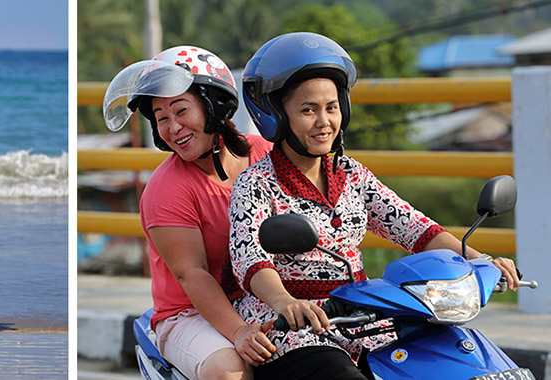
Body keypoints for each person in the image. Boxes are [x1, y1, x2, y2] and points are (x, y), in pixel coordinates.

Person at [228, 32, 521, 380]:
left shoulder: (352, 174)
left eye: (331, 107)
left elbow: (416, 229)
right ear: (276, 114)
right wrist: (284, 302)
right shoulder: (257, 184)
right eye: (308, 110)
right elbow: (251, 259)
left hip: (365, 321)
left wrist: (481, 260)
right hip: (294, 331)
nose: (324, 122)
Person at [103, 46, 276, 380]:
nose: (173, 127)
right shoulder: (166, 188)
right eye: (162, 118)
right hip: (189, 315)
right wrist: (239, 332)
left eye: (181, 111)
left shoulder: (265, 154)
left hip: (264, 296)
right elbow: (192, 274)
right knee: (230, 371)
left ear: (214, 106)